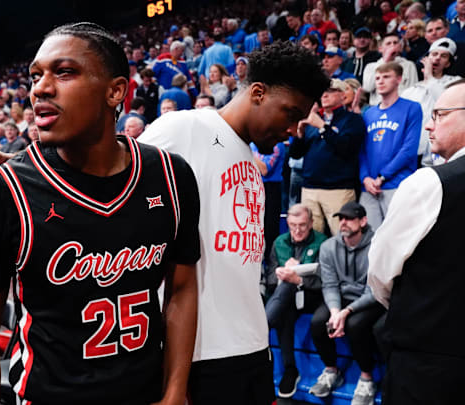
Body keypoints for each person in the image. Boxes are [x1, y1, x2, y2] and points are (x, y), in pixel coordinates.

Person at [0, 22, 200, 405]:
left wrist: (173, 393)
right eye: (35, 75)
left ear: (116, 91)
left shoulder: (172, 176)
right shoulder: (4, 190)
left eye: (64, 72)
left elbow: (182, 290)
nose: (40, 88)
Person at [138, 40, 330, 405]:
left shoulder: (251, 163)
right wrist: (26, 166)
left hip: (252, 345)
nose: (292, 129)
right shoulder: (184, 128)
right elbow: (106, 172)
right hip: (198, 353)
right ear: (258, 92)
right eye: (289, 114)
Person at [368, 79, 465, 404]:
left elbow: (380, 273)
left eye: (439, 114)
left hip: (428, 359)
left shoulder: (430, 183)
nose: (429, 123)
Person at [308, 202, 384, 405]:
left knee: (355, 325)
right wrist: (335, 312)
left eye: (349, 218)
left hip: (371, 298)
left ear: (363, 221)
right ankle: (331, 370)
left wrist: (346, 312)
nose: (343, 223)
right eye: (341, 219)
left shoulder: (378, 245)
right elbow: (330, 284)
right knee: (318, 322)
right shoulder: (329, 247)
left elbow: (375, 290)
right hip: (341, 297)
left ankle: (367, 378)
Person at [264, 204, 327, 398]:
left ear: (311, 223)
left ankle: (263, 327)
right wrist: (280, 273)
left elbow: (327, 281)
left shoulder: (323, 243)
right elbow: (270, 278)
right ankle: (290, 370)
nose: (297, 230)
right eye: (292, 225)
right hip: (287, 298)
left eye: (302, 225)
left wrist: (299, 278)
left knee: (288, 288)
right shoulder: (280, 242)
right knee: (286, 306)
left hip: (313, 296)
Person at [292, 79, 366, 235]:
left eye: (330, 91)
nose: (324, 95)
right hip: (309, 188)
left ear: (342, 95)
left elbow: (346, 148)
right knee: (310, 238)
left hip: (338, 189)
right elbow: (295, 154)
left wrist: (322, 127)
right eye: (322, 91)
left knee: (343, 235)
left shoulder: (353, 120)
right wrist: (299, 135)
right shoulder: (312, 120)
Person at [360, 62, 421, 230]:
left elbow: (409, 149)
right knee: (371, 240)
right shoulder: (369, 113)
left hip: (396, 183)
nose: (380, 81)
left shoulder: (412, 108)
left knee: (398, 236)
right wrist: (365, 177)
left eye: (386, 77)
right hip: (369, 187)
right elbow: (362, 150)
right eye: (378, 77)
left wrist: (382, 177)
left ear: (399, 79)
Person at [362, 32, 419, 106]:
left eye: (395, 43)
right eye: (388, 43)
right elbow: (367, 88)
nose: (392, 45)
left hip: (402, 107)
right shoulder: (371, 66)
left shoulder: (409, 65)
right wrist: (385, 61)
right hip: (378, 107)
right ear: (380, 49)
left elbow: (413, 90)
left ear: (400, 47)